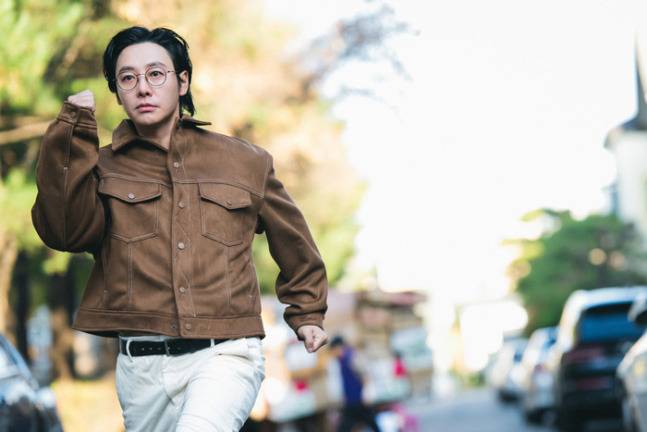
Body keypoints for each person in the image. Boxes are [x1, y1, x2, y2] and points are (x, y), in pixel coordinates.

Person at [31, 26, 329, 432]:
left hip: (224, 356)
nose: (143, 87)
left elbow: (294, 242)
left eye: (156, 74)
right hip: (140, 369)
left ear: (182, 80)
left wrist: (307, 311)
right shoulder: (101, 169)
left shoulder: (246, 162)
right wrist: (72, 131)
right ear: (117, 93)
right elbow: (65, 232)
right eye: (127, 78)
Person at [329, 335, 380, 432]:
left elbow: (365, 375)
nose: (333, 353)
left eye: (333, 350)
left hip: (360, 400)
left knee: (373, 425)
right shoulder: (339, 361)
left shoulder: (352, 357)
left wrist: (367, 392)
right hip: (351, 402)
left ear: (339, 347)